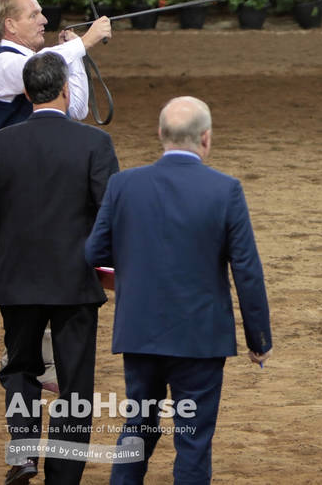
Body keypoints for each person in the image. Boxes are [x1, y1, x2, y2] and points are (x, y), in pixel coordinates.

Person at [86, 96, 272, 484]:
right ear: (205, 139)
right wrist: (259, 338)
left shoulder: (123, 185)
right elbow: (247, 271)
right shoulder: (226, 190)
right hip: (200, 338)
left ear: (160, 134)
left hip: (139, 332)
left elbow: (94, 252)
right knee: (193, 439)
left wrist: (136, 272)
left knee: (137, 426)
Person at [0, 52, 120, 485]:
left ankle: (23, 454)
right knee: (75, 385)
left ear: (29, 92)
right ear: (65, 89)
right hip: (75, 283)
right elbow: (110, 212)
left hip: (15, 280)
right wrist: (116, 272)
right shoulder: (95, 144)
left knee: (20, 368)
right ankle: (63, 476)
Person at [0, 0, 112, 133]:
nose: (44, 20)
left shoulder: (36, 61)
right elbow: (36, 65)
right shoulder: (1, 62)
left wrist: (75, 56)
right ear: (10, 25)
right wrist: (85, 41)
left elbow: (77, 110)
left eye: (41, 14)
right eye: (33, 15)